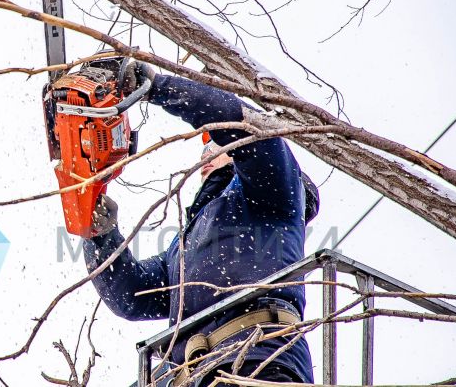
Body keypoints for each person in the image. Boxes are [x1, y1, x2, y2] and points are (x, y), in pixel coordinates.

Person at [83, 64, 319, 385]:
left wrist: (156, 86)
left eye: (213, 140)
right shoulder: (183, 247)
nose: (206, 152)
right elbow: (132, 295)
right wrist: (97, 229)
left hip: (255, 359)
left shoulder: (272, 195)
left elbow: (243, 126)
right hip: (193, 375)